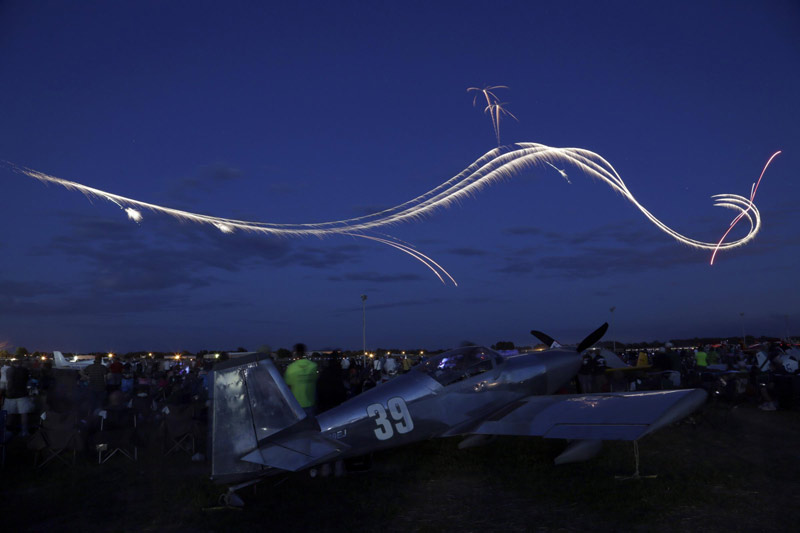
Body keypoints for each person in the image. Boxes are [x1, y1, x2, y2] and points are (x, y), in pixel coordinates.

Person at [283, 343, 318, 416]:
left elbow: (287, 388)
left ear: (295, 353)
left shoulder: (291, 368)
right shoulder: (313, 366)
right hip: (311, 403)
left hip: (296, 405)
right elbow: (316, 381)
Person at [5, 359, 34, 436]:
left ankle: (7, 430)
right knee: (23, 414)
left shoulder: (9, 370)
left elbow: (8, 382)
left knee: (10, 414)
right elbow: (28, 381)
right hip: (22, 394)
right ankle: (24, 431)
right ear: (20, 363)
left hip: (10, 395)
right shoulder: (24, 370)